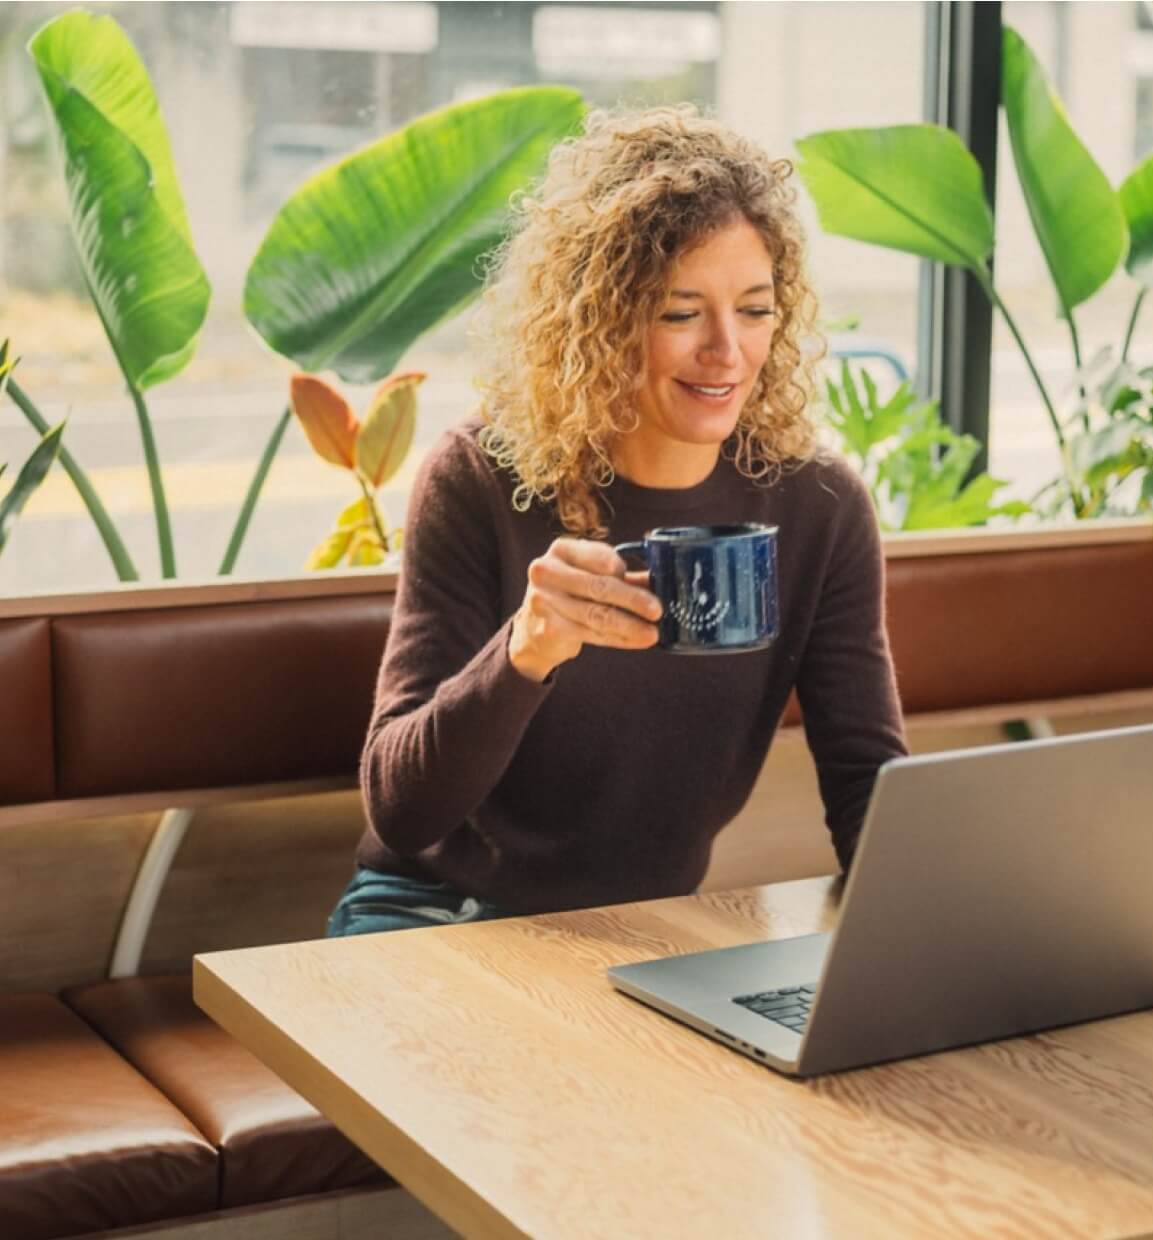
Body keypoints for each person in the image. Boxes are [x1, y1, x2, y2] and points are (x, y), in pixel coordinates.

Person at [326, 105, 906, 938]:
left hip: (641, 931)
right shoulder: (484, 478)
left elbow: (866, 783)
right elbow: (402, 812)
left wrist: (940, 942)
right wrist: (526, 650)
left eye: (755, 308)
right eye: (680, 312)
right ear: (598, 319)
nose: (728, 351)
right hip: (436, 915)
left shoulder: (817, 506)